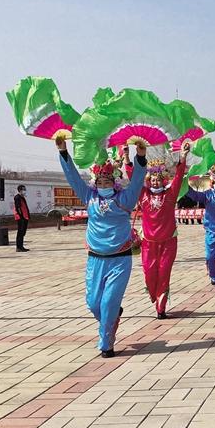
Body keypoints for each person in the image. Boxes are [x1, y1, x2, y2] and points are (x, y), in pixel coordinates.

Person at [56, 138, 147, 358]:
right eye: (100, 182)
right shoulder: (89, 197)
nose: (103, 186)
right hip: (95, 259)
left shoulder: (126, 198)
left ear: (115, 183)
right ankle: (112, 316)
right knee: (93, 303)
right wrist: (64, 153)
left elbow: (137, 181)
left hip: (119, 259)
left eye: (107, 182)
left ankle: (106, 344)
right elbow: (73, 178)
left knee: (108, 303)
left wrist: (140, 157)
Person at [132, 144, 189, 319]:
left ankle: (160, 307)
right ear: (149, 181)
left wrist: (182, 157)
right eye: (153, 179)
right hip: (149, 243)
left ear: (164, 180)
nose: (155, 182)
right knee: (150, 273)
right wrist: (127, 159)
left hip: (168, 242)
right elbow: (133, 179)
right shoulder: (143, 194)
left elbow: (179, 176)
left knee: (164, 273)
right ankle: (153, 293)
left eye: (158, 179)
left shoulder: (170, 194)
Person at [14, 184, 31, 252]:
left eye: (25, 190)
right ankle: (18, 247)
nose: (25, 191)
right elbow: (18, 208)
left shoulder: (23, 198)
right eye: (24, 190)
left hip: (25, 217)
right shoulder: (17, 197)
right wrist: (21, 217)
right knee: (20, 232)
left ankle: (21, 246)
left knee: (23, 232)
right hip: (20, 217)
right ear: (20, 190)